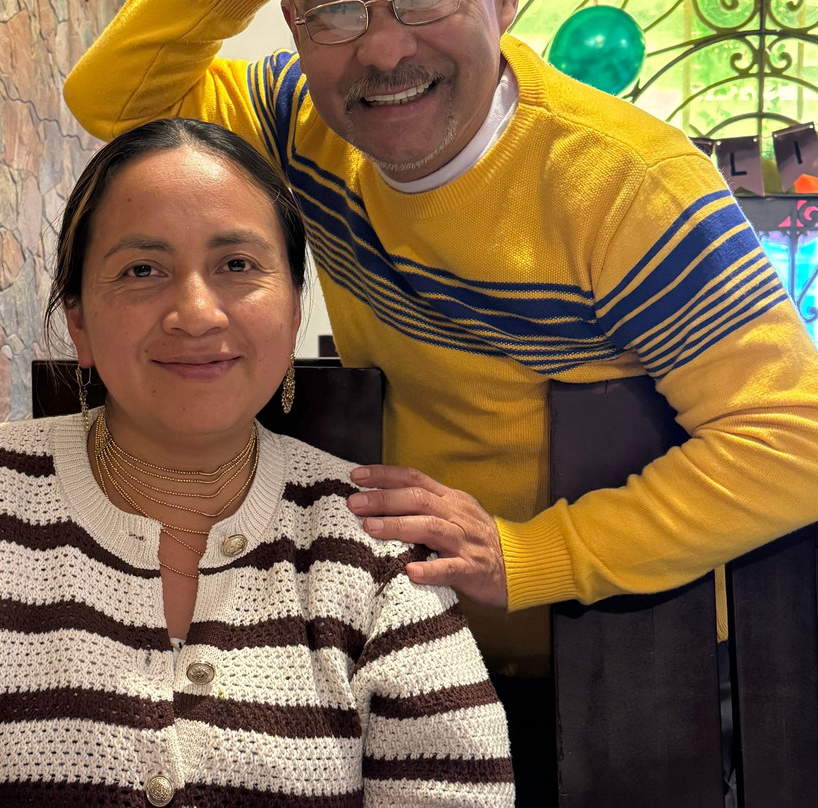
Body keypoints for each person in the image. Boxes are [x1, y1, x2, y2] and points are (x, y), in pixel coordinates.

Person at [62, 0, 818, 800]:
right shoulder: (299, 119)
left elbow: (797, 438)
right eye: (337, 9)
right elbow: (113, 102)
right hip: (398, 650)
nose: (384, 50)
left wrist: (530, 556)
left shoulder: (626, 183)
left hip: (629, 669)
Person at [0, 118, 514, 807]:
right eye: (140, 270)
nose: (195, 312)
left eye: (236, 264)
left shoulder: (374, 545)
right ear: (78, 321)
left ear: (294, 309)